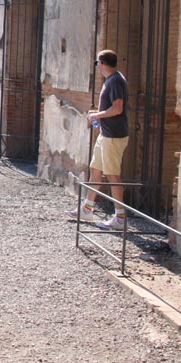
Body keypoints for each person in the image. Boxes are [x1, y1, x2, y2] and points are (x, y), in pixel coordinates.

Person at [68, 49, 129, 230]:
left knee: (112, 175)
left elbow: (118, 108)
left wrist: (97, 116)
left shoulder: (116, 81)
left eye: (97, 63)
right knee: (96, 170)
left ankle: (120, 217)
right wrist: (99, 114)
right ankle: (87, 209)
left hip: (113, 136)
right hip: (106, 134)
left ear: (102, 63)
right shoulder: (112, 80)